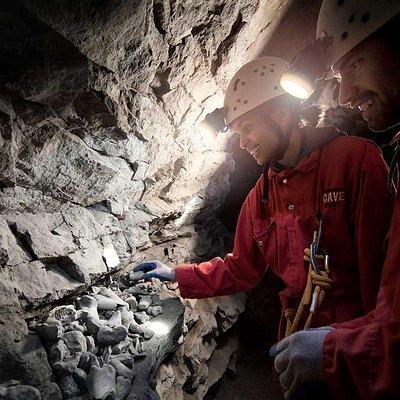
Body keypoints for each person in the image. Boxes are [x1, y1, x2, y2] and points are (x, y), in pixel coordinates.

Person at [134, 56, 391, 349]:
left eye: (247, 128)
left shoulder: (353, 159)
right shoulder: (261, 197)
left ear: (281, 116)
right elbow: (240, 269)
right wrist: (176, 273)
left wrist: (368, 344)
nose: (243, 143)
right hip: (299, 331)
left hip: (357, 334)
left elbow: (382, 268)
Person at [275, 1, 400, 399]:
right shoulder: (265, 191)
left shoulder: (355, 158)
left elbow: (376, 269)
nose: (344, 93)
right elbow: (243, 262)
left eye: (355, 64)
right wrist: (182, 276)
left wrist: (344, 348)